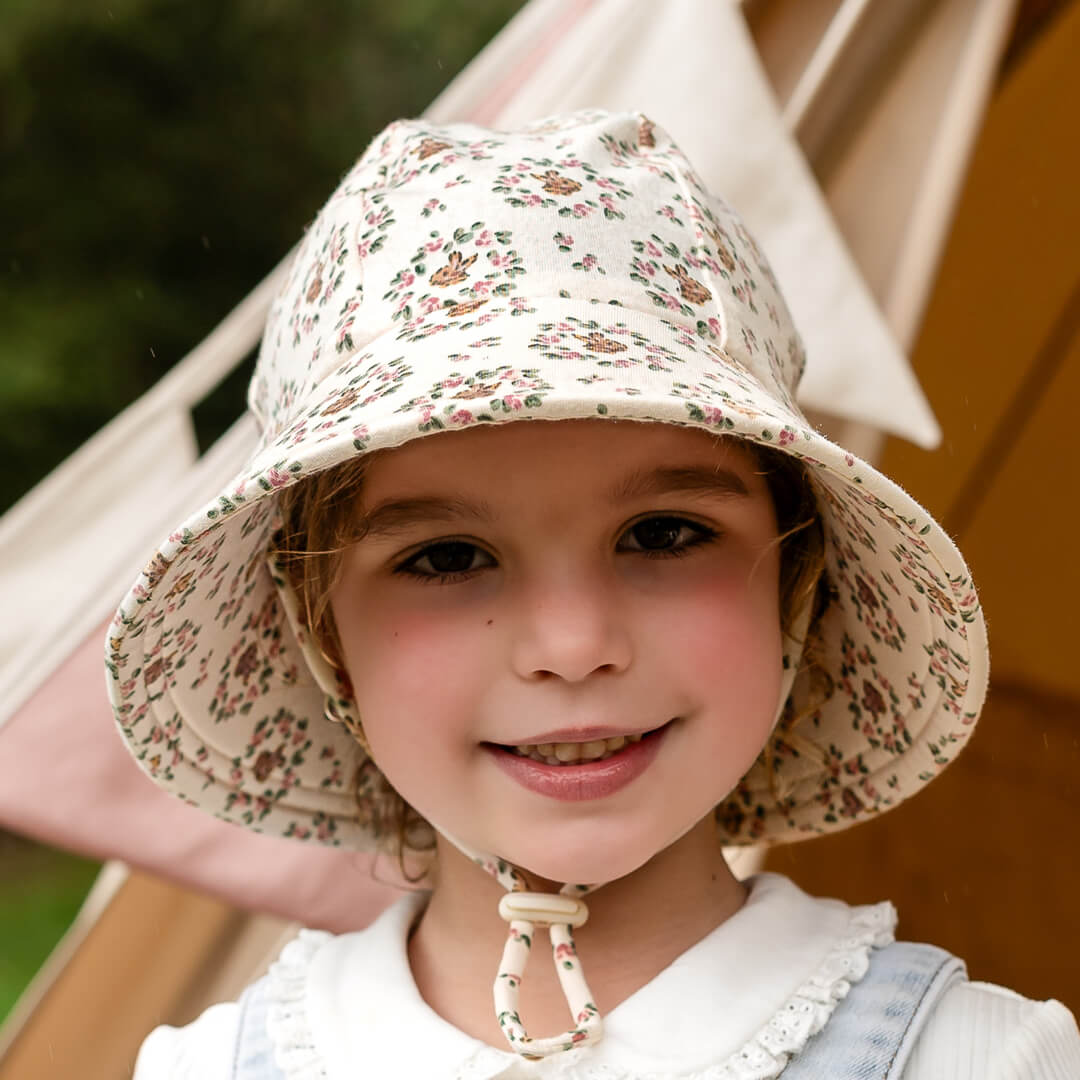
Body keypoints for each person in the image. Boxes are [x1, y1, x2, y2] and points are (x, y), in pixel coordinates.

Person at [110, 111, 1080, 1078]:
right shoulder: (208, 1069)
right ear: (320, 634)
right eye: (448, 558)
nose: (572, 646)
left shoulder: (976, 1060)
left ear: (798, 583)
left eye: (663, 535)